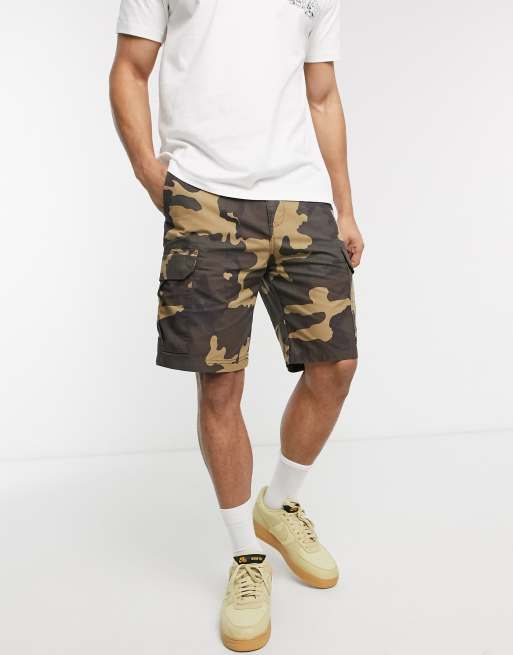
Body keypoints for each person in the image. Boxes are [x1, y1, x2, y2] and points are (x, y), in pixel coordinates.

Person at [109, 0, 364, 650]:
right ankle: (247, 556)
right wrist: (149, 171)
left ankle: (277, 506)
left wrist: (344, 206)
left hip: (300, 196)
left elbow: (323, 93)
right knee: (221, 384)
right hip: (204, 194)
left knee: (335, 364)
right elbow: (130, 67)